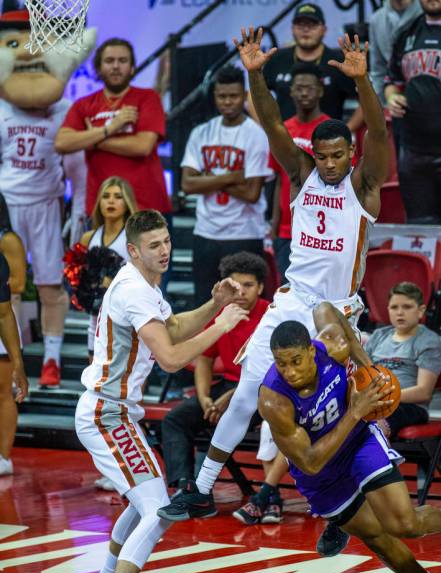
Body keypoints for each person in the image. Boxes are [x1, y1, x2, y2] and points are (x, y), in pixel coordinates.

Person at [156, 28, 390, 528]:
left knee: (333, 410)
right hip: (291, 302)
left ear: (351, 152)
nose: (328, 165)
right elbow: (269, 125)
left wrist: (364, 82)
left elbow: (381, 133)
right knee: (246, 393)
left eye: (337, 156)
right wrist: (256, 74)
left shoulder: (364, 186)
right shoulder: (301, 173)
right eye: (322, 156)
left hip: (336, 313)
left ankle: (344, 505)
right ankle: (199, 489)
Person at [76, 209, 247, 573]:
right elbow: (171, 358)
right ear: (133, 251)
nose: (165, 249)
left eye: (167, 241)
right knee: (157, 510)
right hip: (106, 415)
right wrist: (222, 325)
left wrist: (214, 306)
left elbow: (170, 326)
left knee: (144, 504)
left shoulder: (144, 284)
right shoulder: (134, 289)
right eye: (154, 245)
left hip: (117, 413)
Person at [257, 304, 441, 573]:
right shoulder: (274, 399)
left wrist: (369, 371)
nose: (289, 371)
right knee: (378, 539)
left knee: (404, 524)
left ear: (311, 352)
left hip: (359, 442)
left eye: (296, 361)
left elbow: (325, 308)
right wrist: (356, 410)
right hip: (320, 472)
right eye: (281, 364)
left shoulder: (333, 346)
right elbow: (311, 462)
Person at [0, 8, 92, 387]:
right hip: (6, 206)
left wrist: (82, 211)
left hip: (47, 202)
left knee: (52, 285)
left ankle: (51, 360)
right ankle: (15, 352)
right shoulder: (1, 108)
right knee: (12, 286)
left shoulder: (64, 109)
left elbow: (77, 169)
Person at [161, 251, 269, 488]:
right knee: (174, 420)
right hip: (226, 388)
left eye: (249, 285)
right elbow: (205, 360)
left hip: (262, 392)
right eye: (236, 285)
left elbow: (272, 372)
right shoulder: (221, 314)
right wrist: (204, 398)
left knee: (229, 417)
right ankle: (184, 486)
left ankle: (262, 494)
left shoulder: (271, 315)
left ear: (260, 287)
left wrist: (229, 399)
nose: (241, 291)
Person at [181, 64, 271, 303]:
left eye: (233, 96)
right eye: (222, 96)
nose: (228, 102)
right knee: (205, 304)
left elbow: (252, 192)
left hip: (245, 233)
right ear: (214, 97)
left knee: (243, 306)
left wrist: (208, 178)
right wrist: (231, 176)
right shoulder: (201, 132)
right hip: (206, 233)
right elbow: (187, 184)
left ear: (243, 96)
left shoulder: (256, 135)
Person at [55, 37, 171, 219]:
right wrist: (109, 128)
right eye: (109, 61)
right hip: (101, 209)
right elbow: (62, 143)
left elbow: (142, 146)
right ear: (98, 68)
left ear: (132, 67)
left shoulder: (148, 98)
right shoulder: (83, 105)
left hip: (146, 207)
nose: (116, 66)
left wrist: (92, 139)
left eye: (123, 61)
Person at [78, 176, 137, 493]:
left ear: (127, 201)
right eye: (106, 196)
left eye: (118, 196)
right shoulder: (90, 236)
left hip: (123, 323)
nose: (111, 202)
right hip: (95, 320)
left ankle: (125, 462)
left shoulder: (134, 235)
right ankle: (109, 463)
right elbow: (80, 278)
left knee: (119, 391)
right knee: (98, 387)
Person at [247, 3, 362, 132]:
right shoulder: (278, 58)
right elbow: (253, 94)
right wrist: (268, 131)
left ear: (324, 30)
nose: (306, 29)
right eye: (300, 25)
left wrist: (346, 131)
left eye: (312, 25)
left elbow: (364, 99)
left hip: (326, 145)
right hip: (285, 142)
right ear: (292, 29)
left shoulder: (338, 62)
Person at [269, 62, 330, 281]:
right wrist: (275, 226)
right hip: (287, 231)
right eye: (299, 88)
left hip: (320, 231)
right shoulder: (283, 130)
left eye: (310, 88)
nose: (304, 93)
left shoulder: (332, 130)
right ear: (291, 91)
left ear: (320, 91)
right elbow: (278, 179)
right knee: (289, 295)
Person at [385, 0, 441, 224]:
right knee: (420, 228)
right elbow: (392, 80)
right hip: (414, 151)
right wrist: (391, 97)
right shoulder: (406, 33)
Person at [365, 282, 441, 438]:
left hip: (409, 407)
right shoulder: (378, 336)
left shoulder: (429, 341)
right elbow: (363, 374)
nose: (400, 313)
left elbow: (424, 392)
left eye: (407, 307)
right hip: (373, 402)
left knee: (377, 420)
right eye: (394, 307)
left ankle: (379, 455)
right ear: (388, 310)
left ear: (421, 311)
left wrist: (384, 398)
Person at [0, 193, 26, 475]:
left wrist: (18, 362)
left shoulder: (7, 240)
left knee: (3, 393)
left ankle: (3, 457)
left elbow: (5, 311)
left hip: (3, 320)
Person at [369, 0, 422, 103]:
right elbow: (378, 70)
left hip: (427, 96)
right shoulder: (376, 19)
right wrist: (379, 107)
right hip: (392, 98)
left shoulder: (429, 13)